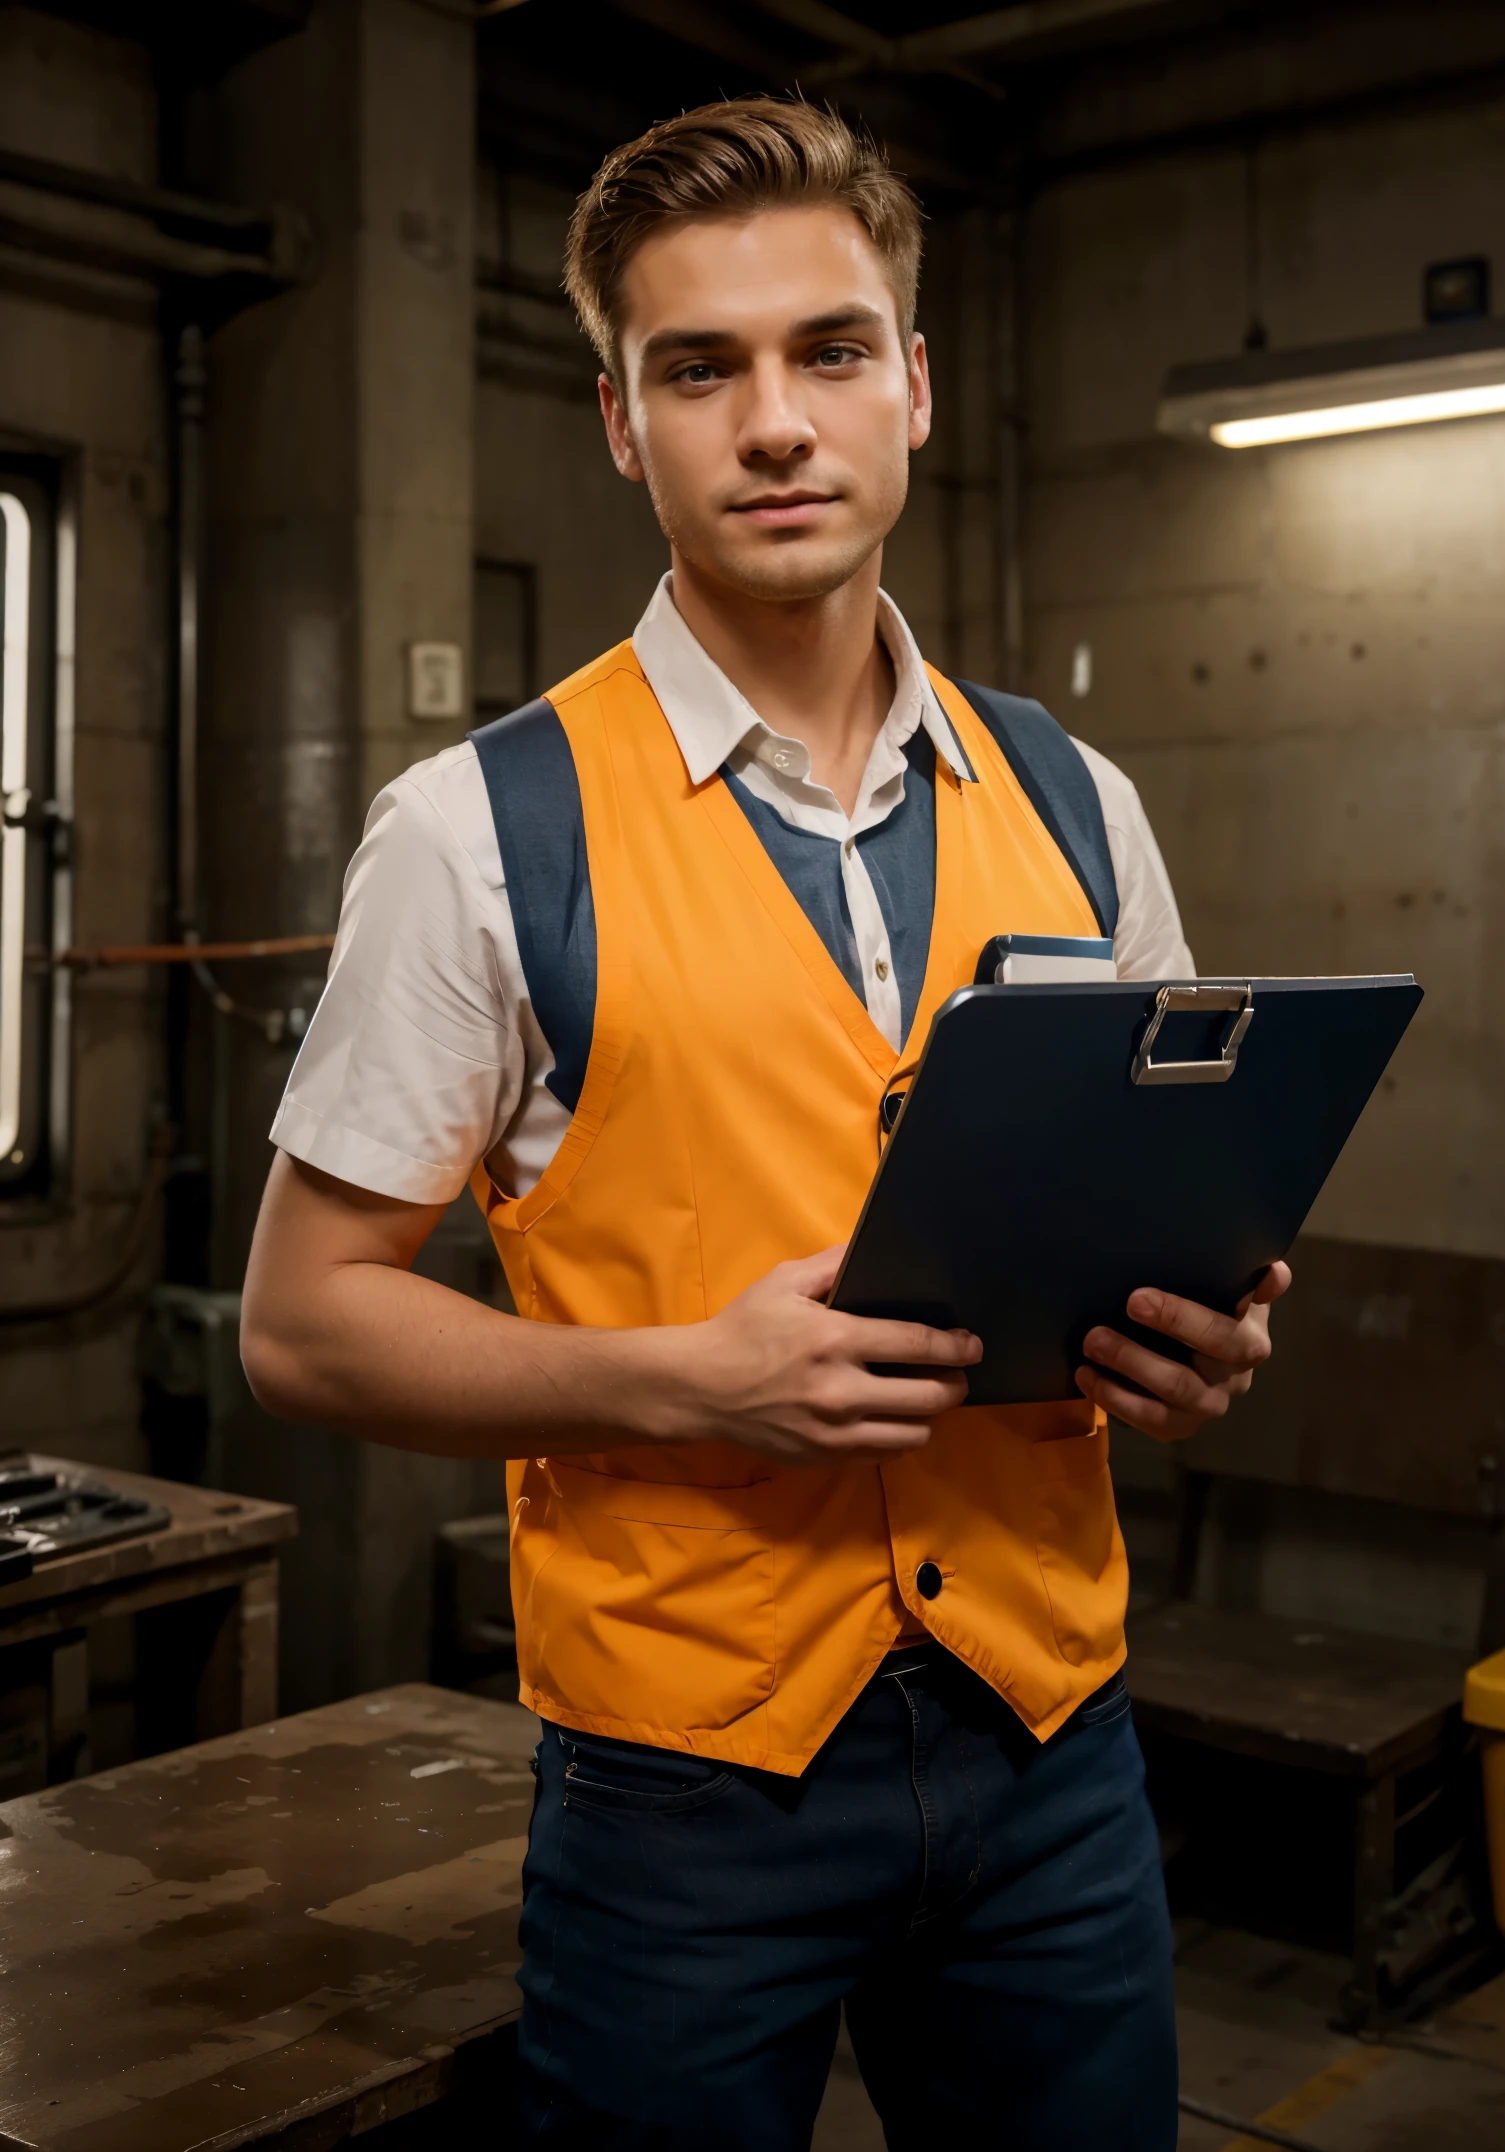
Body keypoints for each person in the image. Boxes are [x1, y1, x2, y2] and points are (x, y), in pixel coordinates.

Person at [242, 96, 1289, 2150]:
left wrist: (1205, 1322)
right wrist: (687, 1378)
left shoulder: (1081, 803)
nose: (777, 421)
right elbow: (302, 1323)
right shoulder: (475, 833)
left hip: (1051, 1738)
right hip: (687, 1784)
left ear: (912, 380)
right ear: (626, 423)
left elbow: (1171, 1211)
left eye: (828, 350)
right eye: (698, 369)